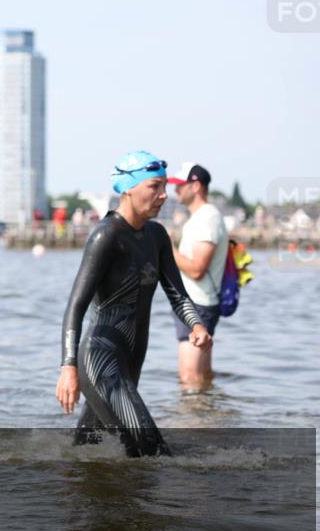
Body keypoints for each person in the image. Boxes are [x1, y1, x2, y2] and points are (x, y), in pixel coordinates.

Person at [55, 152, 212, 457]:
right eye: (154, 186)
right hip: (100, 360)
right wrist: (68, 367)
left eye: (165, 186)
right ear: (128, 188)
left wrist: (197, 325)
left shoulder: (157, 236)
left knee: (86, 456)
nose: (164, 195)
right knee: (155, 455)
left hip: (130, 362)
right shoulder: (106, 235)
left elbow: (177, 294)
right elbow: (75, 306)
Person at [168, 163, 228, 390]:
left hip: (198, 304)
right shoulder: (201, 217)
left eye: (179, 185)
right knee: (200, 376)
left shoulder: (207, 218)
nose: (175, 190)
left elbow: (196, 269)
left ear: (195, 186)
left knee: (190, 376)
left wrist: (168, 248)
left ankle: (194, 413)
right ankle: (207, 410)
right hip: (198, 303)